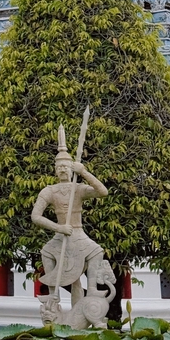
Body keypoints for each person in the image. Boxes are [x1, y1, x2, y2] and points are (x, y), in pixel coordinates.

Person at [31, 124, 108, 307]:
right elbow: (36, 216)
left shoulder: (78, 189)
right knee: (47, 253)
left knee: (97, 251)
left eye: (66, 167)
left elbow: (102, 192)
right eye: (60, 167)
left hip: (78, 234)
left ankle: (92, 289)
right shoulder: (49, 191)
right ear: (55, 170)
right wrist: (59, 228)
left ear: (71, 168)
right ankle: (53, 294)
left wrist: (83, 172)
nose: (63, 170)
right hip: (61, 235)